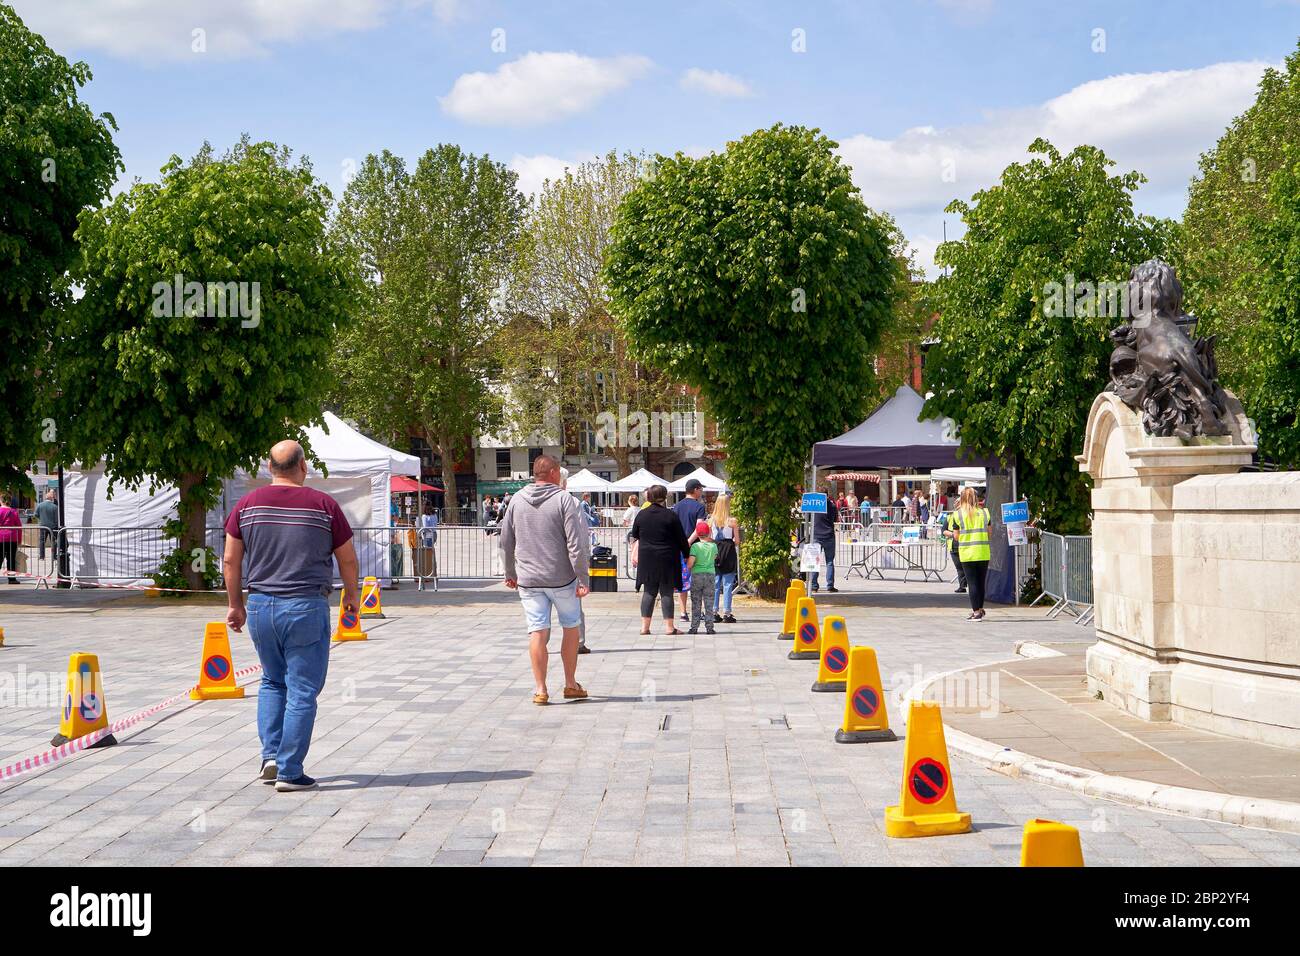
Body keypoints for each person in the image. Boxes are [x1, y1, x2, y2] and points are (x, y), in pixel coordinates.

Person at [223, 440, 358, 792]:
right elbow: (347, 557)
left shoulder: (246, 505)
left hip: (261, 605)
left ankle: (270, 755)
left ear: (269, 467)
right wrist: (351, 596)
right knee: (302, 690)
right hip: (304, 606)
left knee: (271, 680)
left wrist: (235, 605)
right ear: (303, 467)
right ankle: (290, 770)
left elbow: (230, 561)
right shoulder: (324, 506)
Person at [499, 455, 590, 705]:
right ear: (552, 473)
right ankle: (571, 683)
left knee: (537, 631)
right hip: (561, 578)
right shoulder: (563, 500)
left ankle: (540, 689)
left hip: (529, 580)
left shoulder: (516, 500)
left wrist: (510, 573)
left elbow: (505, 541)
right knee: (571, 626)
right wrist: (583, 577)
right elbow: (576, 543)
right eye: (559, 472)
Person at [629, 484, 690, 636]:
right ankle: (669, 627)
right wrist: (687, 555)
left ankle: (644, 627)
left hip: (647, 558)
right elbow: (681, 539)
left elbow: (635, 534)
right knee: (666, 592)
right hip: (667, 558)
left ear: (649, 496)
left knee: (649, 592)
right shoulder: (671, 515)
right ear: (665, 496)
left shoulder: (642, 515)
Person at [672, 478, 709, 621]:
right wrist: (688, 541)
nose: (702, 492)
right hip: (694, 547)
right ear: (695, 490)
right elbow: (699, 528)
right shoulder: (699, 507)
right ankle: (697, 611)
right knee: (698, 579)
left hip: (679, 547)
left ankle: (682, 612)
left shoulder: (677, 506)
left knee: (683, 579)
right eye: (701, 489)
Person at [952, 486, 991, 621]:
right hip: (983, 552)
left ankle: (976, 612)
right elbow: (989, 533)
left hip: (967, 553)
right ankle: (979, 609)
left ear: (962, 499)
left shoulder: (957, 514)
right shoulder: (985, 513)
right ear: (976, 498)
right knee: (980, 583)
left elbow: (956, 536)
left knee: (972, 583)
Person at [710, 494, 740, 623]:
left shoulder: (710, 520)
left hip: (715, 550)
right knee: (728, 583)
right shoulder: (732, 521)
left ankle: (713, 611)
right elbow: (737, 541)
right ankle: (727, 612)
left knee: (716, 583)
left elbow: (709, 538)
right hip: (728, 550)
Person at [687, 520, 718, 635]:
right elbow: (714, 558)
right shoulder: (714, 546)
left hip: (697, 575)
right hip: (710, 575)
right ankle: (709, 627)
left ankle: (694, 627)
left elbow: (690, 563)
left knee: (696, 602)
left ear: (697, 534)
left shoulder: (695, 547)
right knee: (709, 601)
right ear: (709, 533)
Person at [810, 488, 839, 593]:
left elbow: (808, 517)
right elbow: (834, 519)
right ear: (827, 495)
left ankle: (814, 586)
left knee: (815, 562)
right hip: (829, 535)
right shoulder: (832, 506)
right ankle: (830, 586)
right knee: (830, 562)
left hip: (816, 535)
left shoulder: (814, 506)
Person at [944, 506, 967, 594]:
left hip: (966, 544)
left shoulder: (968, 516)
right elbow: (943, 530)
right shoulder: (950, 516)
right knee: (959, 568)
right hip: (954, 546)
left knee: (966, 567)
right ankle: (962, 586)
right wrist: (954, 534)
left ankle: (965, 584)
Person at [36, 490, 59, 564]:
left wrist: (41, 519)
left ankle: (42, 556)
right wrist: (55, 524)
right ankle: (54, 556)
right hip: (53, 526)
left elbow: (36, 514)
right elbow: (56, 518)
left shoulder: (40, 505)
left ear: (45, 498)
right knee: (54, 541)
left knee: (42, 541)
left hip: (43, 525)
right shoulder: (55, 507)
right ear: (51, 498)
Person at [417, 503, 438, 578]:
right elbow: (435, 524)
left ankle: (429, 571)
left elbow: (425, 527)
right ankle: (433, 570)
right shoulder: (435, 515)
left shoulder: (424, 516)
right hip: (434, 534)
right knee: (431, 553)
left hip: (427, 535)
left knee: (427, 554)